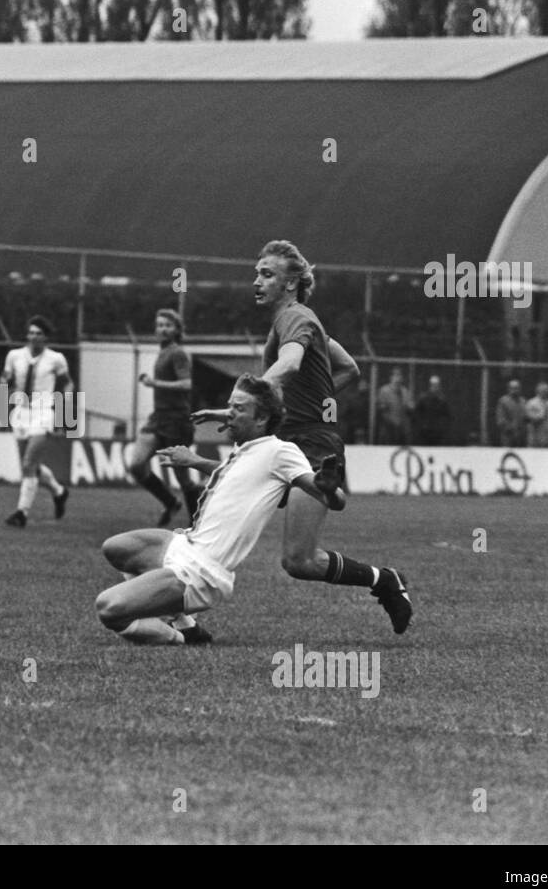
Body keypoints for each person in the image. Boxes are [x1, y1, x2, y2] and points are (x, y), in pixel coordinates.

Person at [177, 240, 412, 640]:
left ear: (290, 284)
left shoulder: (296, 318)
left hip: (312, 447)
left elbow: (291, 362)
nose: (256, 281)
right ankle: (178, 617)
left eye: (266, 274)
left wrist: (249, 403)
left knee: (299, 561)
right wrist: (296, 408)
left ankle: (384, 580)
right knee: (215, 523)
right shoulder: (301, 320)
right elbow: (349, 368)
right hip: (286, 440)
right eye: (257, 273)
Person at [94, 376, 342, 645]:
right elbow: (233, 475)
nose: (229, 414)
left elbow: (336, 499)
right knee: (114, 547)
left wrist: (327, 489)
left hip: (201, 574)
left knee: (108, 609)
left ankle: (177, 638)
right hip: (186, 545)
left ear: (261, 419)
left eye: (238, 408)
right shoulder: (246, 449)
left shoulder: (281, 452)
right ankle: (185, 623)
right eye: (229, 406)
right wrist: (194, 460)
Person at [127, 309, 202, 526]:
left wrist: (154, 383)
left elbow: (186, 384)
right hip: (158, 418)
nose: (162, 329)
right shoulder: (163, 351)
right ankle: (170, 501)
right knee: (136, 465)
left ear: (177, 329)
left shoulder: (178, 353)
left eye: (167, 325)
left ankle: (196, 524)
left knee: (183, 479)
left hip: (177, 421)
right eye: (159, 325)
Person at [0, 315, 71, 526]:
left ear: (46, 337)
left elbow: (67, 384)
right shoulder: (14, 355)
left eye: (38, 333)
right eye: (31, 333)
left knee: (29, 463)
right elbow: (5, 378)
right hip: (21, 411)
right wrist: (6, 383)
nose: (34, 337)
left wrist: (63, 406)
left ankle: (21, 512)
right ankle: (59, 491)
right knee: (30, 465)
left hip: (43, 412)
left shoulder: (56, 358)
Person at [375, 368, 411, 445]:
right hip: (388, 427)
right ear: (391, 377)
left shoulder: (405, 391)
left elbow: (408, 406)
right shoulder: (384, 390)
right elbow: (380, 408)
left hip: (402, 428)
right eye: (395, 375)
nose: (398, 378)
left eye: (399, 375)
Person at [413, 374, 452, 445]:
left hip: (438, 433)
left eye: (437, 385)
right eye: (433, 385)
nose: (435, 387)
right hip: (424, 433)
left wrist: (441, 428)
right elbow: (417, 414)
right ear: (430, 386)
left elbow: (447, 416)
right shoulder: (423, 398)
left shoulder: (442, 400)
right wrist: (421, 426)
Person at [494, 379, 526, 448]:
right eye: (513, 388)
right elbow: (500, 419)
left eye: (517, 388)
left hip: (521, 436)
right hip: (507, 436)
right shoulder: (503, 401)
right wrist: (511, 429)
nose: (515, 390)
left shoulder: (523, 401)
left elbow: (525, 417)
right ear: (508, 389)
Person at [525, 381, 548, 447]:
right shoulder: (531, 403)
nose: (546, 392)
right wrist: (540, 416)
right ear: (538, 391)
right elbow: (528, 418)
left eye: (547, 390)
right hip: (536, 437)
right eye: (544, 390)